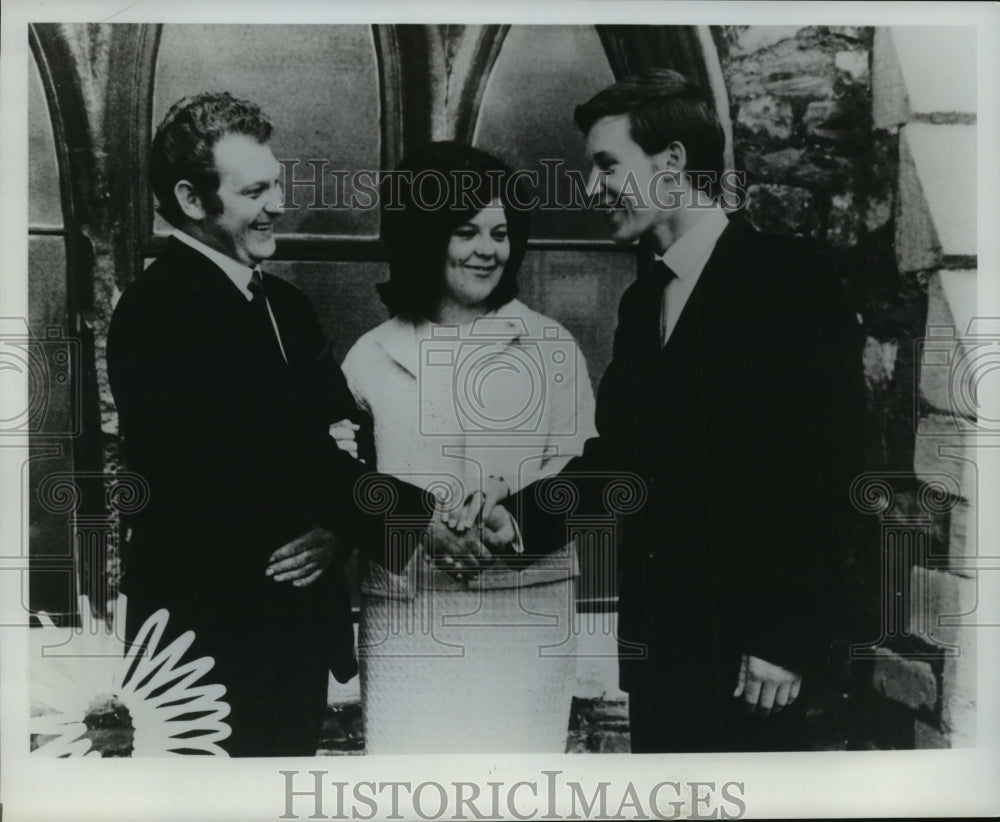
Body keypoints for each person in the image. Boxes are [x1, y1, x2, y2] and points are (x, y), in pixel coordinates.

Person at [503, 69, 865, 752]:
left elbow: (828, 472)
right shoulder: (644, 303)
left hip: (754, 665)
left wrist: (784, 640)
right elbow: (624, 459)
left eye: (607, 165)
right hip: (660, 653)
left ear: (672, 162)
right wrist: (514, 519)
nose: (591, 188)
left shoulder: (791, 282)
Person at [106, 93, 473, 756]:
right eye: (255, 190)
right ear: (192, 200)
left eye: (277, 183)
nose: (278, 203)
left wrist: (335, 523)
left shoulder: (286, 304)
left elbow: (342, 433)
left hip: (291, 634)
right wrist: (409, 512)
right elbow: (249, 460)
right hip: (203, 641)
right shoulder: (156, 312)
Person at [334, 142, 597, 753]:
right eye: (466, 230)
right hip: (409, 617)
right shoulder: (369, 357)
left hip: (524, 615)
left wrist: (512, 511)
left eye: (501, 232)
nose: (488, 249)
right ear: (425, 236)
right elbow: (347, 485)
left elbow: (582, 470)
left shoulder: (550, 346)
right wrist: (418, 521)